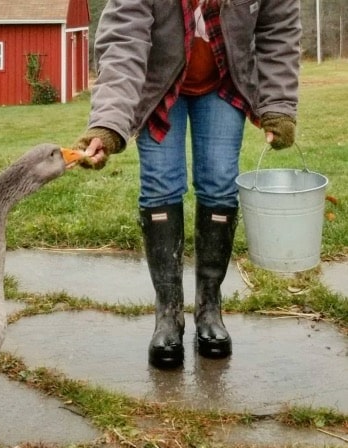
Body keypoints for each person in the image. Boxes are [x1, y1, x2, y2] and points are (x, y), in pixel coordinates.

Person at [74, 0, 301, 368]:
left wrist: (277, 104)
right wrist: (109, 125)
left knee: (220, 185)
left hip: (223, 83)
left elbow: (278, 32)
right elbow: (123, 43)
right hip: (159, 84)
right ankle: (169, 314)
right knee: (160, 185)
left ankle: (209, 308)